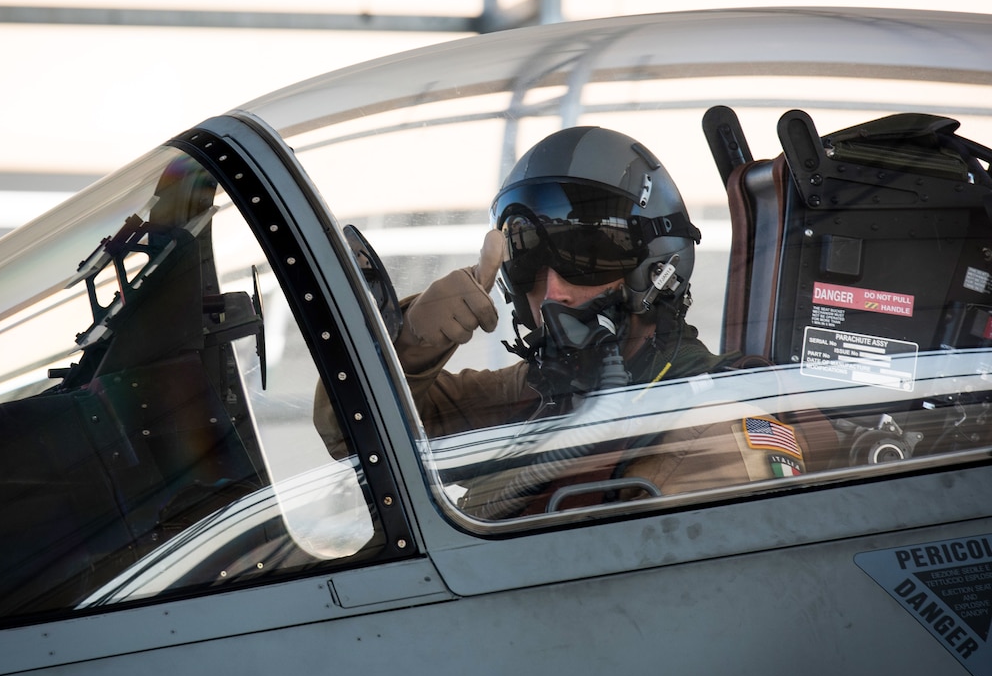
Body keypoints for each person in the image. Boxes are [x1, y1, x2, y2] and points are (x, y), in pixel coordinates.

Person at [319, 126, 809, 517]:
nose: (551, 292)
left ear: (658, 269)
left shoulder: (714, 428)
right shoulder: (542, 393)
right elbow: (355, 435)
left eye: (586, 256)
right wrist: (412, 341)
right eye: (528, 261)